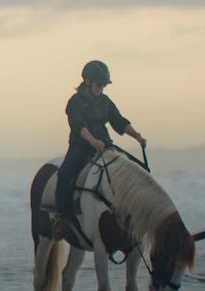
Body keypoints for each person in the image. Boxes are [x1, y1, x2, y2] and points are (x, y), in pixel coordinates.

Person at [55, 59, 146, 228]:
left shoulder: (105, 101)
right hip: (80, 147)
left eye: (104, 85)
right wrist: (92, 141)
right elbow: (78, 126)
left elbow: (119, 121)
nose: (101, 88)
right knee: (64, 174)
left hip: (105, 145)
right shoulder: (74, 102)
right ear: (87, 81)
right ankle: (62, 218)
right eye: (99, 84)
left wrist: (137, 136)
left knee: (134, 168)